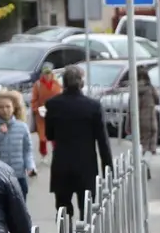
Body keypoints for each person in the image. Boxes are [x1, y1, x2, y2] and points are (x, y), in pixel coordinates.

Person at [43, 65, 113, 220]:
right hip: (86, 166)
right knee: (87, 210)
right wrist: (109, 170)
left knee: (63, 209)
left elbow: (49, 135)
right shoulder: (93, 106)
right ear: (82, 83)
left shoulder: (53, 105)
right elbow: (103, 142)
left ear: (64, 83)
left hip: (62, 164)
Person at [0, 89, 36, 199]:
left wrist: (30, 167)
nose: (5, 110)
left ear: (14, 107)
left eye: (8, 106)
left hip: (19, 176)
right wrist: (0, 134)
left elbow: (27, 150)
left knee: (21, 210)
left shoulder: (22, 127)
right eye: (1, 107)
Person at [31, 63, 62, 158]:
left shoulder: (58, 83)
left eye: (49, 73)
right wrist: (37, 109)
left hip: (55, 113)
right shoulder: (38, 84)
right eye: (45, 73)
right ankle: (43, 153)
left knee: (55, 135)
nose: (47, 75)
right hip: (42, 114)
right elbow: (34, 100)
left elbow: (62, 97)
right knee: (42, 137)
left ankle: (56, 153)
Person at [137, 66, 160, 161]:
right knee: (154, 132)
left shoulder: (135, 90)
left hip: (140, 117)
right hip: (151, 115)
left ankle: (143, 153)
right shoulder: (150, 88)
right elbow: (157, 99)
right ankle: (152, 150)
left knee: (143, 138)